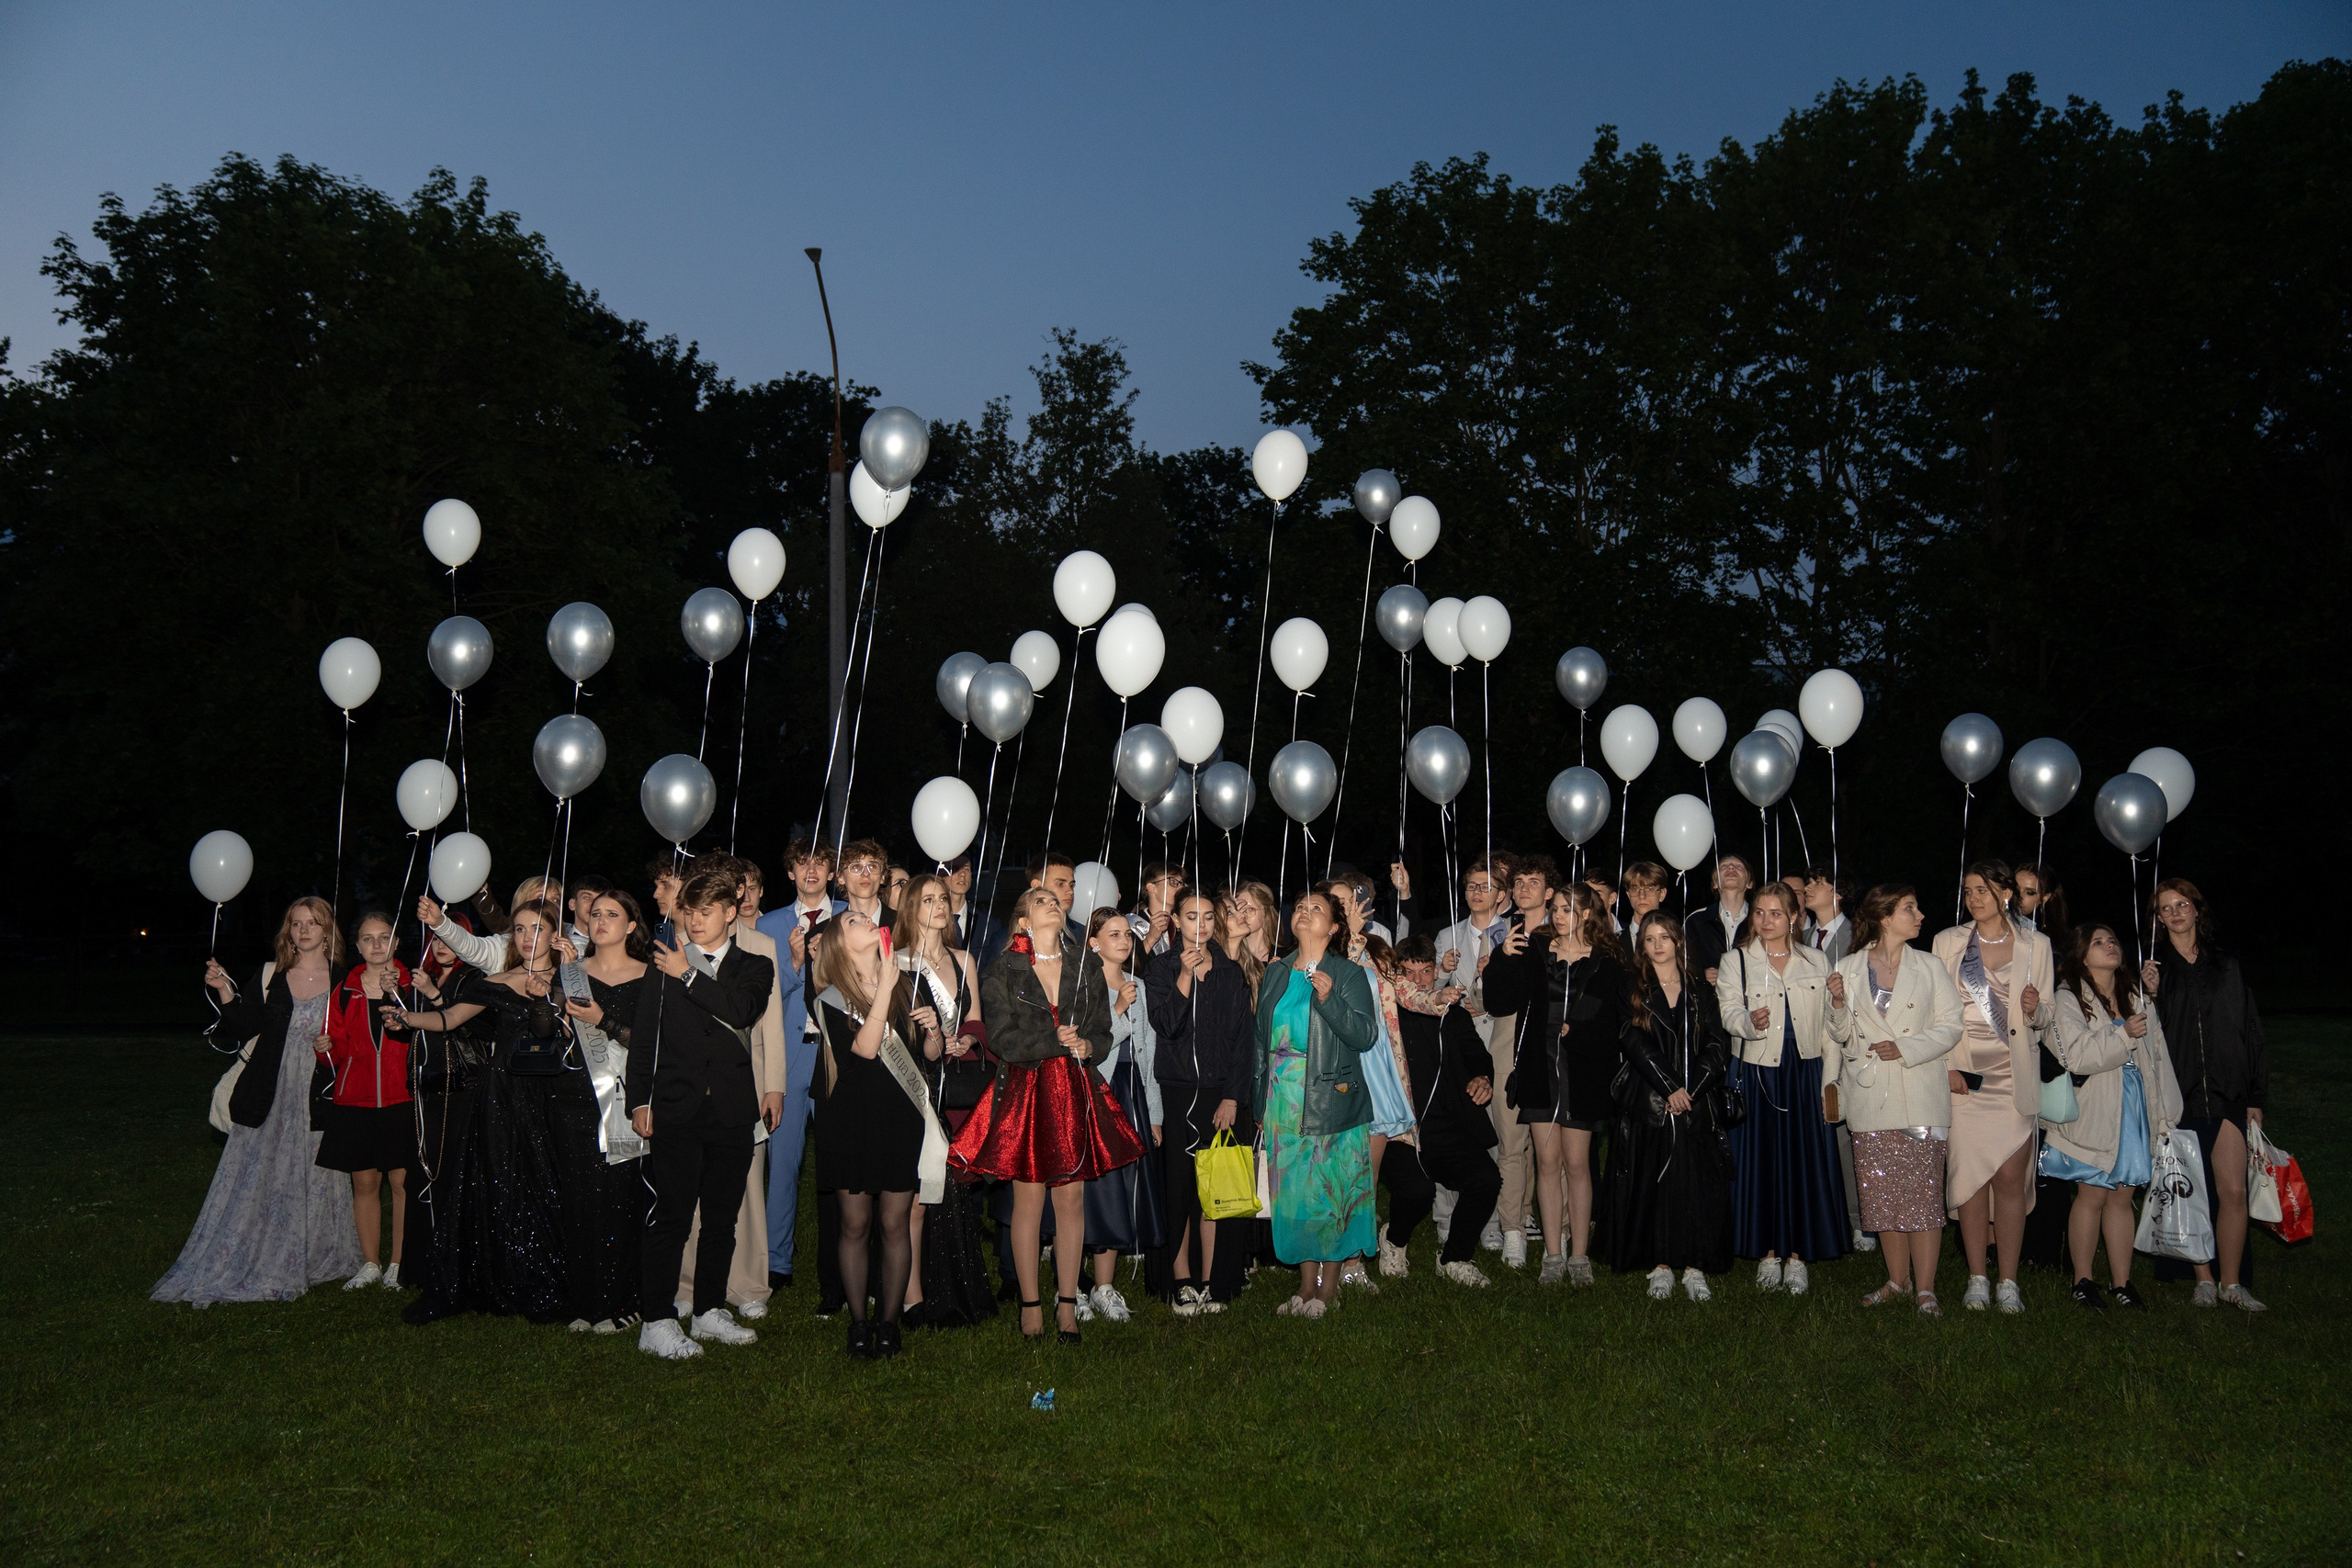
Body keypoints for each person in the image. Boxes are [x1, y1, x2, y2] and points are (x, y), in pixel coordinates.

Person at [385, 899, 627, 1329]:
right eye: (518, 929)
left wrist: (556, 989)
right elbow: (450, 1018)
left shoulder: (575, 976)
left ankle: (561, 1276)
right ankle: (505, 1273)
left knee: (551, 1182)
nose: (525, 937)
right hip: (500, 1093)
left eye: (536, 927)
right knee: (500, 1180)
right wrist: (407, 1018)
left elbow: (581, 1030)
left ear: (556, 933)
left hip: (555, 1093)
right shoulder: (495, 980)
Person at [956, 886, 1143, 1343]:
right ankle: (1029, 1305)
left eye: (1055, 900)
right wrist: (1053, 1042)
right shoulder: (1003, 969)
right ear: (1023, 920)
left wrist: (1088, 1046)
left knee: (1072, 1201)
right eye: (1040, 900)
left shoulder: (1085, 965)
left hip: (1076, 1090)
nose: (1052, 904)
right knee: (1029, 1201)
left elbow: (1101, 1027)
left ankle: (1066, 1306)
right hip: (1028, 1092)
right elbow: (1000, 1037)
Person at [157, 897, 363, 1304]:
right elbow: (243, 1027)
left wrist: (335, 1043)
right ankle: (251, 1250)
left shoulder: (346, 979)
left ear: (327, 931)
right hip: (270, 1092)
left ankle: (316, 1252)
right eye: (296, 924)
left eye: (313, 923)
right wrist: (223, 992)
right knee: (260, 1174)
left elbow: (359, 1037)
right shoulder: (271, 975)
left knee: (317, 1170)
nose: (303, 930)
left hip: (319, 1094)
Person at [626, 869, 775, 1359]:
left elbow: (741, 1011)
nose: (694, 920)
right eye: (688, 911)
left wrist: (687, 975)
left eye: (705, 911)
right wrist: (640, 1100)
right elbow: (645, 1036)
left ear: (730, 913)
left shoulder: (755, 964)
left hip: (731, 1111)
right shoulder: (664, 964)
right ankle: (657, 1320)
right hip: (676, 1107)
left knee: (720, 1220)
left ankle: (709, 1309)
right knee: (670, 1217)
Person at [809, 907, 947, 1359]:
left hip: (898, 1117)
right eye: (851, 922)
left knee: (895, 1224)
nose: (865, 920)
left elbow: (928, 1054)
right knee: (854, 1224)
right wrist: (885, 989)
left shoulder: (911, 980)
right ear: (838, 943)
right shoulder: (830, 997)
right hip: (850, 1120)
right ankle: (859, 1324)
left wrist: (934, 1033)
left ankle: (889, 1324)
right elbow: (865, 1051)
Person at [1826, 886, 1963, 1315]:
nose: (1920, 915)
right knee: (1882, 1196)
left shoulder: (1930, 966)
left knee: (1922, 1197)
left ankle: (1925, 1289)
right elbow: (1840, 1033)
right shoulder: (1847, 969)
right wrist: (1835, 1003)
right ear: (1885, 918)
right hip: (1869, 1097)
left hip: (1920, 1093)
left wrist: (1906, 1047)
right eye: (1910, 909)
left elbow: (1951, 1025)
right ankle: (1896, 1281)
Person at [1484, 881, 1628, 1285]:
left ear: (1588, 914)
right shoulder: (1536, 952)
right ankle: (1551, 1255)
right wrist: (1503, 958)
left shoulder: (1605, 959)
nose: (1558, 916)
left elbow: (1610, 1019)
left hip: (1582, 1070)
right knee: (1546, 1162)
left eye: (1567, 909)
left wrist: (1577, 1027)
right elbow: (1499, 1002)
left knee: (1577, 1163)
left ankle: (1578, 1254)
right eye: (1557, 909)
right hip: (1539, 1065)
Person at [1932, 862, 2053, 1314]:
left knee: (2008, 1179)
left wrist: (2036, 1008)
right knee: (1969, 1179)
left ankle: (2008, 1281)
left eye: (1982, 890)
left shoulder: (2036, 944)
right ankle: (1976, 1278)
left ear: (2005, 894)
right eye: (1967, 891)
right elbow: (1936, 1012)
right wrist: (1945, 1068)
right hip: (1965, 1080)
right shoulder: (1948, 942)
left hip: (2012, 1077)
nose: (1973, 898)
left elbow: (2049, 1016)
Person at [2142, 878, 2268, 1311]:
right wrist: (2152, 996)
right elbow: (2147, 1039)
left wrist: (2255, 1096)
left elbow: (2250, 1029)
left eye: (2182, 904)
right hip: (2183, 1098)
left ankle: (2232, 1283)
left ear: (2197, 909)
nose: (2175, 913)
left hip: (2229, 1093)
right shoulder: (2156, 972)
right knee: (2190, 1192)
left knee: (2233, 1191)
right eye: (2165, 908)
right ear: (2158, 919)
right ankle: (2203, 1279)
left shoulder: (2227, 964)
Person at [671, 854, 787, 1324]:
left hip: (748, 1082)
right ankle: (687, 1285)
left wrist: (774, 1085)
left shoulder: (761, 944)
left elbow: (771, 1022)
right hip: (692, 1088)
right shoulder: (678, 946)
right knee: (689, 1194)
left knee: (745, 1193)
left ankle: (749, 1285)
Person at [1716, 878, 1847, 1291]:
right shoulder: (1735, 960)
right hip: (1756, 1073)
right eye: (1759, 912)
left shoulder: (1816, 961)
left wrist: (1828, 1083)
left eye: (1776, 913)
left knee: (1802, 1163)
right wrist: (1748, 1025)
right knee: (1762, 1162)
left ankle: (1797, 1255)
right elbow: (1728, 1014)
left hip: (1803, 1073)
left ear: (1794, 917)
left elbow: (1832, 1030)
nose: (1766, 920)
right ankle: (1767, 1253)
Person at [1257, 887, 1381, 1319]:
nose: (1304, 913)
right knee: (1295, 1196)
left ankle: (1329, 1288)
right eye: (1300, 908)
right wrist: (1260, 1102)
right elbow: (1260, 1041)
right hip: (1283, 1102)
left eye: (1317, 909)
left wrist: (1329, 1002)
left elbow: (1365, 1036)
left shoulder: (1347, 974)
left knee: (1331, 1193)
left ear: (1333, 928)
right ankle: (1305, 1285)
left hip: (1329, 1099)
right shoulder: (1275, 973)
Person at [2048, 923, 2180, 1311]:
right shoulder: (2068, 997)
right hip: (2096, 1105)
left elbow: (2157, 1056)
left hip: (2135, 1105)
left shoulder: (2135, 996)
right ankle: (2083, 1280)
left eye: (2113, 940)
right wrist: (2123, 1035)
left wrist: (2167, 1113)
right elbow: (2075, 1055)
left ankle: (2122, 1283)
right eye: (2099, 941)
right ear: (2081, 953)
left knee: (2123, 1196)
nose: (2110, 946)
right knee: (2091, 1193)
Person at [1601, 911, 1734, 1300]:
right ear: (1641, 945)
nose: (1657, 945)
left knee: (1694, 1184)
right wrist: (1671, 1086)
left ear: (1678, 941)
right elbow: (1633, 1041)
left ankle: (1694, 1266)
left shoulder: (1699, 988)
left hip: (1695, 1101)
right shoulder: (1632, 985)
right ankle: (1659, 1265)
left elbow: (1717, 1042)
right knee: (1654, 1182)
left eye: (1664, 937)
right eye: (1649, 939)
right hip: (1650, 1100)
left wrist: (1691, 1088)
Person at [890, 873, 994, 1331]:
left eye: (944, 898)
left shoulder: (964, 958)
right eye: (928, 899)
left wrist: (965, 1043)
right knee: (916, 1195)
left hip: (958, 1089)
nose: (939, 905)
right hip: (914, 1086)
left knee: (954, 1189)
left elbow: (975, 1021)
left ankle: (957, 1288)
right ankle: (912, 1297)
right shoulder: (894, 962)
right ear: (910, 907)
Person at [1148, 890, 1255, 1315]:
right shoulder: (1160, 967)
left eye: (1210, 917)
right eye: (1192, 917)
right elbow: (1167, 1026)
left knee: (1215, 1188)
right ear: (1176, 920)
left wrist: (1232, 1096)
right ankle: (1181, 1282)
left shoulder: (1230, 972)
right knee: (1179, 1189)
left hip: (1217, 1094)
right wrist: (1184, 979)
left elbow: (1244, 1044)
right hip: (1175, 1092)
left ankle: (1211, 1281)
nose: (1202, 925)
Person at [1378, 937, 1498, 1286]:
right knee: (1417, 1191)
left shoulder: (1452, 1014)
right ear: (1396, 978)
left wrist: (1482, 1077)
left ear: (1436, 973)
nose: (1418, 982)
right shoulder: (1386, 1015)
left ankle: (1455, 1257)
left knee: (1486, 1179)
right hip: (1397, 1128)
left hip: (1444, 1125)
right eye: (1408, 973)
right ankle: (1394, 1240)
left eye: (1425, 972)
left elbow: (1477, 1053)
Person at [560, 886, 651, 1332]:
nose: (600, 921)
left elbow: (651, 1042)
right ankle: (585, 1300)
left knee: (622, 1197)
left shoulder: (650, 973)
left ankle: (624, 1299)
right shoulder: (569, 974)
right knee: (580, 1198)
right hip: (576, 1098)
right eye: (594, 913)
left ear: (631, 925)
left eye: (612, 914)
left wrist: (603, 1021)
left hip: (627, 1100)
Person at [757, 838, 844, 1292]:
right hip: (788, 1057)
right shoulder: (768, 924)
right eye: (801, 862)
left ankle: (841, 1261)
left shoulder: (853, 916)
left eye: (820, 861)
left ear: (832, 872)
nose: (811, 869)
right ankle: (777, 1262)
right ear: (789, 872)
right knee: (783, 1159)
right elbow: (760, 997)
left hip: (837, 1055)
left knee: (840, 1162)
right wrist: (793, 963)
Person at [315, 910, 415, 1290]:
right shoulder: (344, 988)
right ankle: (370, 1262)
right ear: (357, 947)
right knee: (365, 1185)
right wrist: (323, 1050)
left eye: (384, 937)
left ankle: (398, 1264)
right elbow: (336, 1052)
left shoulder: (414, 984)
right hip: (355, 1101)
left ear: (396, 943)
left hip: (401, 1097)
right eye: (368, 939)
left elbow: (425, 1033)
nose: (377, 945)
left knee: (402, 1184)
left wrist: (398, 993)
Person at [1074, 908, 1164, 1321]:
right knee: (1089, 1189)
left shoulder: (1139, 986)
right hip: (1095, 1093)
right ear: (1094, 942)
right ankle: (1074, 1285)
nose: (1125, 941)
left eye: (1128, 934)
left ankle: (1105, 1286)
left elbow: (1149, 1052)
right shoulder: (1081, 986)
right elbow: (1089, 1047)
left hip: (1131, 1093)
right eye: (1114, 934)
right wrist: (1116, 1010)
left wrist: (1156, 1112)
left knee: (1121, 1185)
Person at [1435, 855, 1525, 1260]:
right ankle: (1446, 1218)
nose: (1475, 892)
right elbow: (1429, 991)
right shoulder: (1446, 936)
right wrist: (1442, 972)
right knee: (1455, 1124)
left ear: (1502, 895)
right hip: (1460, 1049)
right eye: (1471, 885)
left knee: (1495, 1132)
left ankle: (1490, 1224)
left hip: (1499, 1041)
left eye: (1485, 886)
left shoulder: (1512, 934)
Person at [1799, 865, 1868, 1252]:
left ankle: (1860, 1222)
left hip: (1847, 1047)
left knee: (1846, 1136)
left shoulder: (1857, 935)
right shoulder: (1803, 937)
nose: (1808, 888)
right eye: (1807, 883)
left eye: (1817, 884)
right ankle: (1824, 1213)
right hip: (1809, 1048)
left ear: (1838, 893)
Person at [420, 876, 564, 975]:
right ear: (522, 903)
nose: (549, 903)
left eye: (556, 899)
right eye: (540, 897)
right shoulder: (503, 948)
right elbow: (472, 947)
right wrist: (440, 923)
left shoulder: (576, 945)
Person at [1686, 853, 1755, 987]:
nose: (1730, 868)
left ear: (1749, 883)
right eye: (1723, 866)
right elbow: (1682, 964)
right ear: (1715, 883)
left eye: (1738, 867)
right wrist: (1700, 976)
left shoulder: (1761, 920)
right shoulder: (1696, 921)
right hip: (1711, 1003)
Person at [1126, 863, 1188, 959]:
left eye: (1182, 883)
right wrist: (1151, 939)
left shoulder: (1182, 925)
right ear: (1151, 888)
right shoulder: (1130, 924)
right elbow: (1127, 967)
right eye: (1173, 882)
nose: (1180, 887)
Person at [2015, 863, 2068, 947]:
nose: (2019, 897)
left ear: (2044, 898)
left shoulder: (2051, 938)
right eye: (2015, 889)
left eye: (2029, 893)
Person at [1623, 862, 1670, 929]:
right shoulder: (1616, 939)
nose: (1642, 896)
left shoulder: (1677, 938)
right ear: (1628, 894)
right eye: (1635, 889)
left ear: (1662, 894)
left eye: (1650, 889)